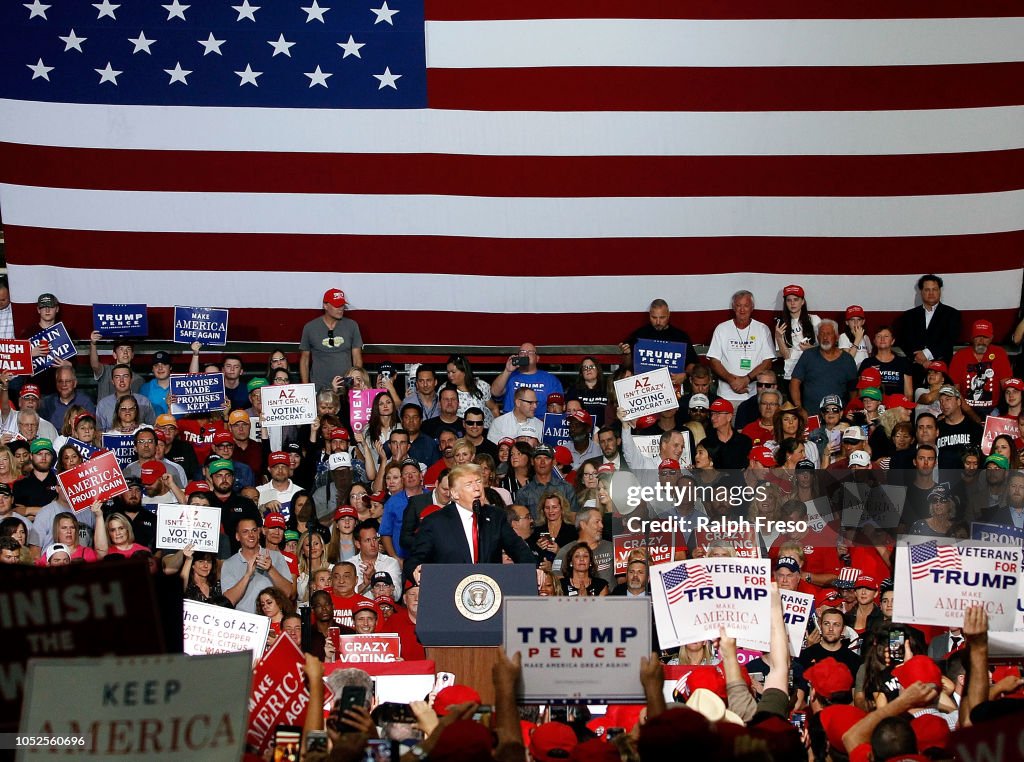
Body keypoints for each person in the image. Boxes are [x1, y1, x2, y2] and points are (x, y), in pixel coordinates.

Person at [404, 463, 536, 582]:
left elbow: (519, 550)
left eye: (478, 482)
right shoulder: (435, 522)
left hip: (490, 593)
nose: (477, 488)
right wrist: (415, 571)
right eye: (469, 485)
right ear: (455, 494)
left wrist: (534, 570)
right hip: (450, 593)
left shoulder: (496, 516)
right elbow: (414, 561)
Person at [706, 290, 776, 406]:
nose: (742, 310)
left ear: (752, 307)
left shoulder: (762, 329)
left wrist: (746, 379)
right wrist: (732, 380)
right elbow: (714, 361)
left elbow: (767, 362)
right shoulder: (722, 329)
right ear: (733, 307)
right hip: (726, 396)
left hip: (754, 396)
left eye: (746, 306)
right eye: (738, 306)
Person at [220, 517, 295, 612]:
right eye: (245, 532)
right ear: (237, 537)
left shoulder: (276, 557)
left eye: (254, 530)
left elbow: (288, 593)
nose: (251, 535)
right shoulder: (229, 564)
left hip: (271, 621)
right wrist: (247, 575)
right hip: (244, 622)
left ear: (259, 534)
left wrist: (270, 569)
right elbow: (228, 601)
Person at [619, 299, 699, 385]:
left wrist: (685, 375)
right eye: (654, 317)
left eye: (662, 317)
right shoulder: (639, 335)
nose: (658, 322)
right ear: (649, 315)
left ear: (668, 315)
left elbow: (693, 364)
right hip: (644, 388)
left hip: (673, 387)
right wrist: (627, 354)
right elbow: (627, 367)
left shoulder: (680, 337)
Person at [300, 288, 364, 393]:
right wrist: (306, 388)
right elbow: (304, 360)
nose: (341, 309)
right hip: (319, 388)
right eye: (337, 305)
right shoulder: (310, 327)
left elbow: (357, 358)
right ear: (325, 306)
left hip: (346, 388)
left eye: (342, 305)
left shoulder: (352, 326)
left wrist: (355, 383)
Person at [896, 273, 962, 374]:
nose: (931, 293)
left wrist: (927, 354)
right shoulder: (908, 316)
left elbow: (949, 339)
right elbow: (904, 340)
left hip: (942, 370)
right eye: (927, 290)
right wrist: (918, 358)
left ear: (940, 291)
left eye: (934, 289)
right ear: (921, 292)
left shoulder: (952, 314)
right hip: (914, 369)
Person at [790, 320, 858, 415]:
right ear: (817, 337)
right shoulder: (808, 355)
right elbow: (794, 382)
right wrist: (799, 409)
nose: (825, 337)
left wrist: (849, 412)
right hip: (811, 416)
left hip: (838, 417)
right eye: (822, 334)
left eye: (829, 334)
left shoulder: (847, 359)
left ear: (836, 337)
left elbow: (853, 391)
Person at [949, 319, 1013, 417]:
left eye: (985, 337)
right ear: (971, 338)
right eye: (978, 337)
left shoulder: (999, 353)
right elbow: (955, 391)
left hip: (993, 409)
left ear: (991, 338)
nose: (981, 341)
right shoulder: (959, 356)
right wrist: (972, 414)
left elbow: (1007, 386)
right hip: (965, 409)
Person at [491, 343, 563, 414]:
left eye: (530, 352)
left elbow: (557, 407)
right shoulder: (510, 375)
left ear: (537, 358)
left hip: (539, 422)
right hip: (511, 422)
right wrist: (507, 371)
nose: (526, 355)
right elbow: (495, 392)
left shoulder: (550, 379)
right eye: (522, 352)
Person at [513, 444, 579, 519]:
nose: (542, 462)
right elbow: (520, 522)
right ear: (532, 461)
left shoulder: (567, 489)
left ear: (554, 462)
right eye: (538, 458)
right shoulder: (523, 493)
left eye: (547, 458)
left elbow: (573, 518)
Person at [774, 284, 822, 381]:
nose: (792, 303)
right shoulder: (781, 323)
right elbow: (786, 355)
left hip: (811, 372)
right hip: (791, 374)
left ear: (802, 301)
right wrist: (779, 338)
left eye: (796, 299)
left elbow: (826, 349)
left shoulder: (814, 319)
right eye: (789, 300)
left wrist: (811, 348)